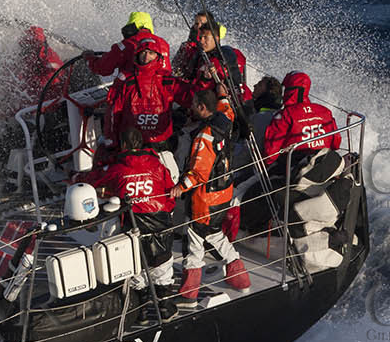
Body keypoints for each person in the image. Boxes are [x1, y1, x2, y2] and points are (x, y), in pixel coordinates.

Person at [83, 127, 180, 314]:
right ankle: (166, 308)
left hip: (134, 227)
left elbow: (94, 182)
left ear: (124, 145)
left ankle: (140, 312)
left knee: (137, 270)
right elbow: (169, 193)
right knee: (163, 269)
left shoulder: (117, 168)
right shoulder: (157, 165)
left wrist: (75, 178)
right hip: (161, 226)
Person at [172, 89, 250, 298]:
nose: (191, 107)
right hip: (224, 192)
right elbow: (228, 110)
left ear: (201, 107)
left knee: (194, 242)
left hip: (204, 199)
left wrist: (179, 188)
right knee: (215, 234)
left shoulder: (203, 136)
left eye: (194, 103)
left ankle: (189, 291)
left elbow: (199, 172)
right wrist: (223, 96)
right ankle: (239, 276)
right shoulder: (224, 120)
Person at [261, 70, 340, 175]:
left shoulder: (284, 115)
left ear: (289, 90)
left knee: (243, 188)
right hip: (325, 167)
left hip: (293, 173)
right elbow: (336, 143)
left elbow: (270, 154)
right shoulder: (325, 111)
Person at [104, 41, 178, 150]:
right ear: (137, 54)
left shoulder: (167, 80)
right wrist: (111, 138)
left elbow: (189, 96)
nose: (146, 56)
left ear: (158, 56)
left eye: (151, 53)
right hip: (131, 142)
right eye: (143, 52)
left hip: (160, 142)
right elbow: (113, 111)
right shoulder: (125, 79)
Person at [86, 11, 172, 78]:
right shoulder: (163, 43)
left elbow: (103, 68)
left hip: (133, 95)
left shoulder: (126, 44)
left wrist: (89, 58)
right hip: (161, 96)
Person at [16, 25, 68, 107]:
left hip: (50, 92)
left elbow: (57, 68)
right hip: (38, 88)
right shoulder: (30, 54)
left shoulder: (45, 55)